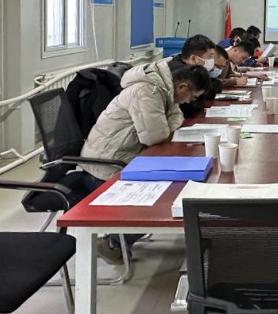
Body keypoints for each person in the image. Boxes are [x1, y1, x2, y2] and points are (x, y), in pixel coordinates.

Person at [80, 62, 211, 264]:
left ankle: (118, 240)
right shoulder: (147, 91)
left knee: (178, 181)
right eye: (192, 97)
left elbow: (177, 115)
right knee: (167, 194)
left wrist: (167, 123)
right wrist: (168, 124)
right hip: (107, 164)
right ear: (182, 86)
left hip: (127, 155)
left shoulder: (164, 90)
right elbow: (155, 137)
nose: (189, 102)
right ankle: (113, 243)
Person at [167, 34, 220, 117]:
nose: (212, 61)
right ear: (193, 59)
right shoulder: (178, 71)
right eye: (209, 57)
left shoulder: (188, 67)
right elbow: (189, 108)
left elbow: (213, 89)